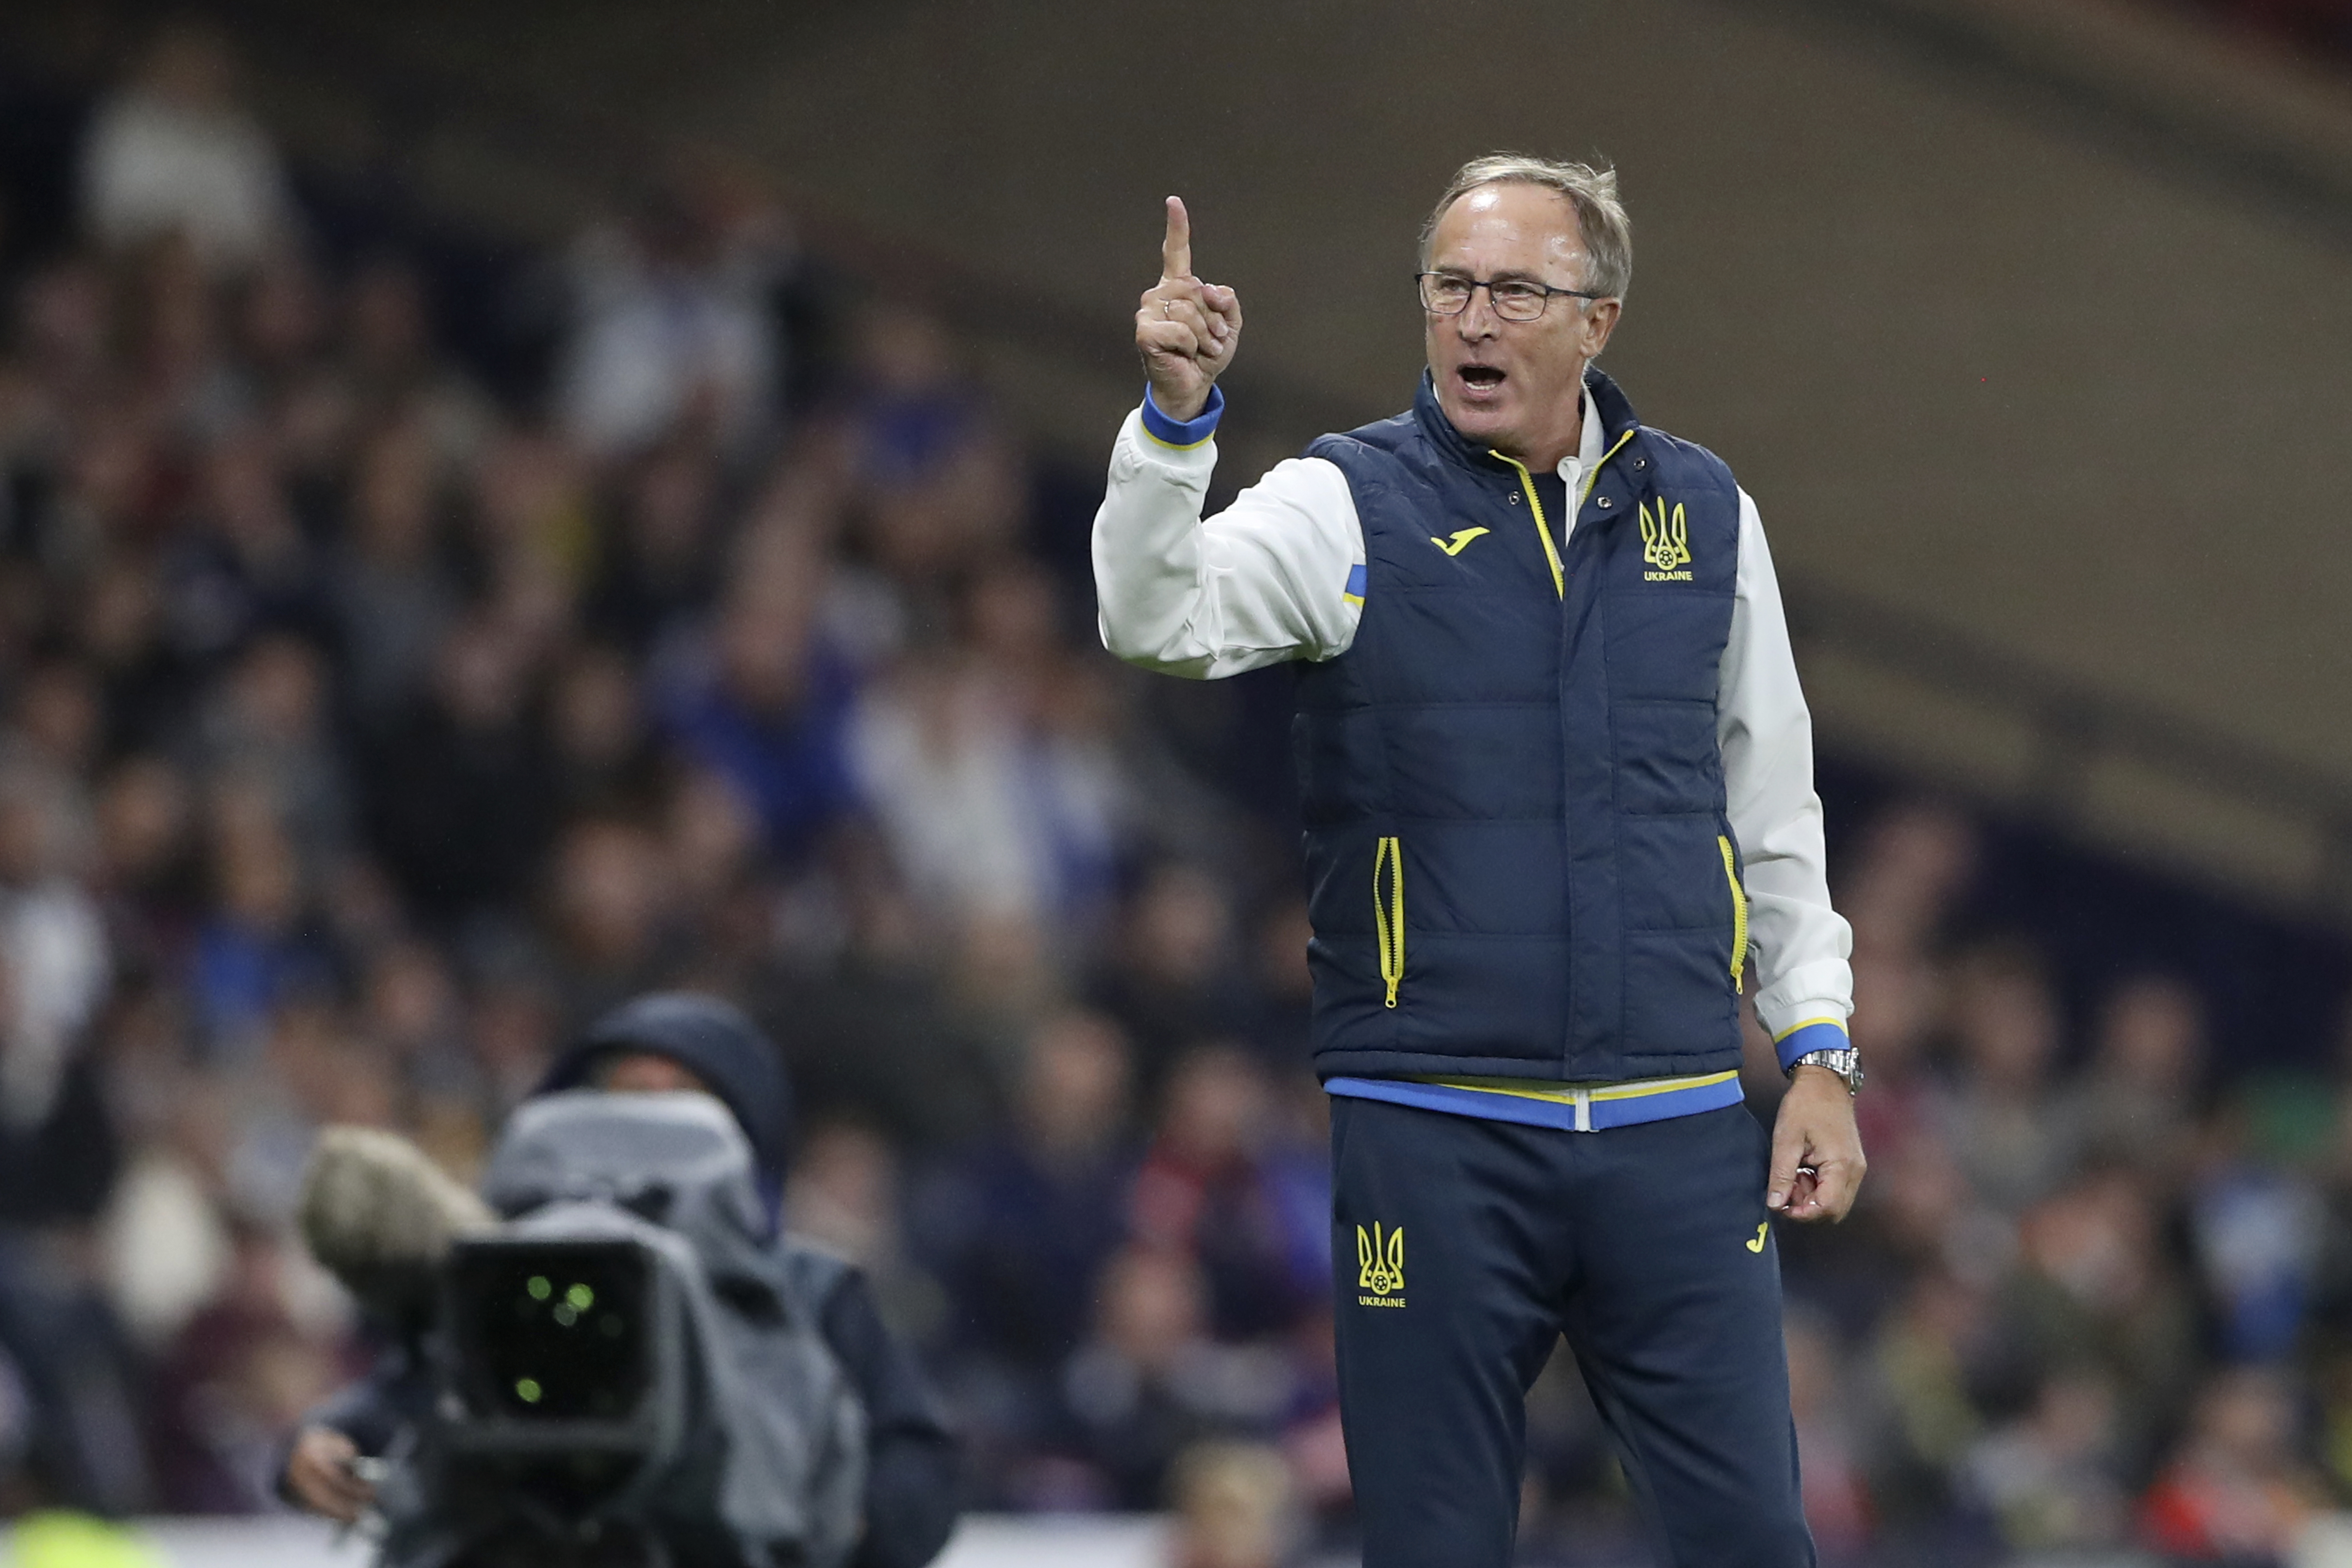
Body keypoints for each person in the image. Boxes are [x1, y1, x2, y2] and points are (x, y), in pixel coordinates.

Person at [1092, 155, 1864, 1567]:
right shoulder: (1347, 503)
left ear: (1600, 318)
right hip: (1433, 1129)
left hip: (1677, 1128)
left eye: (1515, 289)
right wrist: (1174, 424)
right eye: (1450, 287)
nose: (1474, 321)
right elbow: (1156, 619)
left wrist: (1821, 1054)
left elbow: (1775, 814)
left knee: (1756, 1543)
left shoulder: (1706, 515)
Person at [278, 991, 959, 1568]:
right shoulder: (515, 1281)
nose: (648, 1123)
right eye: (626, 1094)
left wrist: (849, 1518)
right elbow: (414, 1396)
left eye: (681, 1101)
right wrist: (321, 1446)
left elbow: (916, 1465)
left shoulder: (803, 1292)